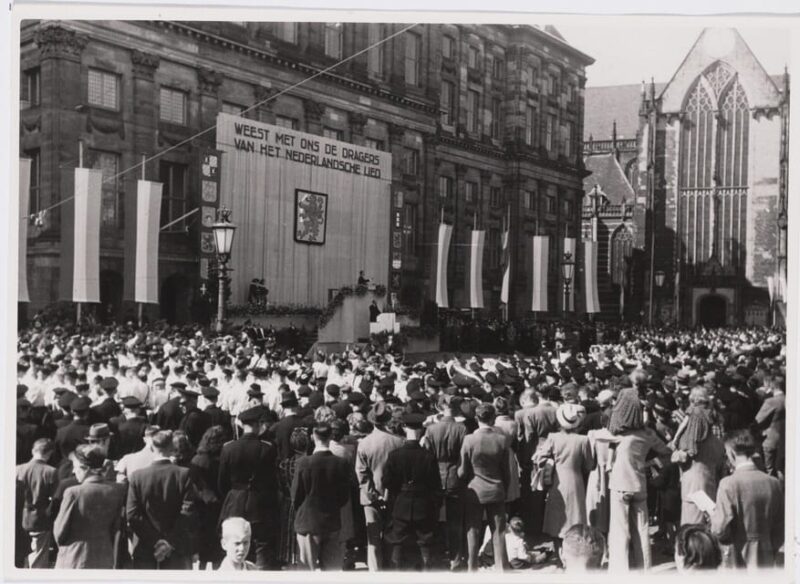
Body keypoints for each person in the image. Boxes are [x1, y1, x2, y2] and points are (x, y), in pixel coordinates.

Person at [597, 386, 672, 571]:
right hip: (639, 483)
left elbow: (594, 437)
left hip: (620, 485)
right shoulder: (648, 434)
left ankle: (619, 571)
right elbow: (667, 453)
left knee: (620, 531)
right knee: (642, 530)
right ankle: (644, 570)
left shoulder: (617, 434)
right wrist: (649, 465)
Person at [710, 429, 783, 570]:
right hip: (767, 556)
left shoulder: (728, 484)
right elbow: (780, 528)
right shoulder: (774, 483)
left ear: (731, 453)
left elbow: (720, 530)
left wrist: (714, 516)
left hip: (737, 557)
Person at [218, 406, 279, 570]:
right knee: (261, 547)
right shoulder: (267, 448)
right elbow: (273, 480)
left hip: (235, 501)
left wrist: (233, 494)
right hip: (260, 502)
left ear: (241, 425)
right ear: (259, 424)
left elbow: (222, 481)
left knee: (235, 543)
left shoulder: (228, 448)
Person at [126, 430, 198, 569]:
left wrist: (155, 541)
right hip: (177, 548)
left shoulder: (137, 476)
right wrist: (169, 542)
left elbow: (132, 515)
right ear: (172, 448)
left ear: (152, 448)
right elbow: (188, 512)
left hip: (145, 548)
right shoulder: (183, 474)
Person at [382, 412, 443, 570]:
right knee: (425, 539)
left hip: (401, 501)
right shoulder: (428, 456)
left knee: (397, 539)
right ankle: (426, 571)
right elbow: (435, 483)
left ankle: (396, 572)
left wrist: (399, 490)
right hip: (423, 503)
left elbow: (387, 481)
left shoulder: (395, 455)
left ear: (403, 428)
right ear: (421, 431)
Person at [534, 403, 595, 557]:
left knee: (557, 519)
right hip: (576, 481)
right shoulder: (583, 440)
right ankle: (573, 554)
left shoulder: (553, 437)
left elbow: (540, 458)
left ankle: (559, 556)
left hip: (558, 481)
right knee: (576, 517)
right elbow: (589, 465)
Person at [53, 444, 126, 569]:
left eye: (75, 467)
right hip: (104, 556)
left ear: (85, 468)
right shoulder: (117, 490)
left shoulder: (73, 492)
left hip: (74, 557)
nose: (73, 471)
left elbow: (59, 533)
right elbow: (116, 528)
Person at [292, 423, 352, 571]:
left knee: (307, 572)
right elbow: (344, 496)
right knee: (332, 571)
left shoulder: (303, 463)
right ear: (331, 437)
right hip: (332, 522)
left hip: (308, 522)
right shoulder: (341, 463)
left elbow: (295, 495)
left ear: (313, 437)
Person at [458, 403, 510, 572]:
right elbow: (506, 471)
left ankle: (472, 567)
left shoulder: (469, 440)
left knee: (473, 529)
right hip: (496, 489)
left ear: (476, 418)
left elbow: (462, 471)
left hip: (475, 490)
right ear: (493, 419)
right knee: (498, 531)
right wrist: (505, 489)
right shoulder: (502, 440)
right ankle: (501, 568)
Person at [355, 402, 405, 571]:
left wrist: (374, 495)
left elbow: (362, 474)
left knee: (373, 540)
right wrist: (387, 495)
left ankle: (375, 574)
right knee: (393, 538)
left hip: (370, 499)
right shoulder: (399, 442)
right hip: (394, 497)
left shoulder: (364, 443)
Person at [422, 395, 467, 570]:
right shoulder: (462, 428)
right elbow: (464, 456)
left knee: (432, 519)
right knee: (455, 521)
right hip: (455, 475)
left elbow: (427, 455)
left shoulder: (432, 429)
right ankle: (455, 559)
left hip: (436, 475)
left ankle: (433, 556)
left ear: (440, 408)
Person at [16, 438, 57, 568]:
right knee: (38, 559)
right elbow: (54, 498)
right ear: (50, 453)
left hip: (19, 518)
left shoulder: (17, 469)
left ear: (33, 451)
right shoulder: (51, 471)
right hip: (40, 519)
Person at [190, 425, 227, 569]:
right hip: (216, 505)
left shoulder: (197, 459)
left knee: (204, 547)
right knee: (216, 546)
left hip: (202, 506)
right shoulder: (218, 461)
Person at [278, 427, 310, 567]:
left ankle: (291, 560)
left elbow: (280, 485)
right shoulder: (310, 463)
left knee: (289, 535)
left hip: (288, 503)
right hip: (305, 504)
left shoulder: (284, 464)